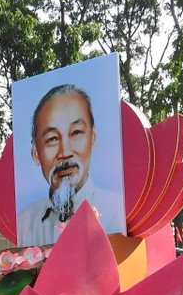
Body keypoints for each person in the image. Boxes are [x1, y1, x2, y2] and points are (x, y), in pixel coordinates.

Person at [16, 83, 125, 247]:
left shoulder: (118, 213)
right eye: (52, 139)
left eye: (76, 133)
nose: (65, 152)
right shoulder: (24, 224)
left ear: (93, 138)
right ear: (35, 153)